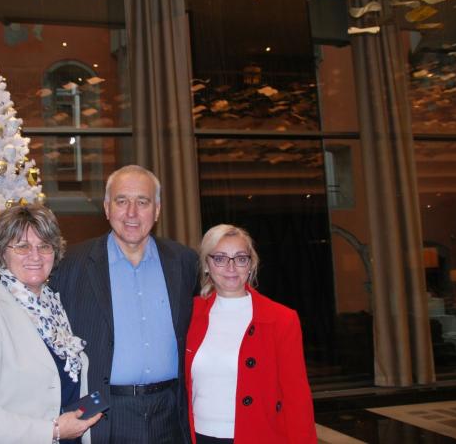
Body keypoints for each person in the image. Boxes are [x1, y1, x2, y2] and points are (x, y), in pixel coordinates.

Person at [52, 165, 199, 444]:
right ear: (107, 208)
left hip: (169, 414)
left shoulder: (183, 262)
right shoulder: (71, 264)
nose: (132, 213)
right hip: (103, 414)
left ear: (157, 210)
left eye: (142, 202)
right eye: (122, 201)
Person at [0, 204, 102, 444]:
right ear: (2, 252)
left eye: (44, 246)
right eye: (22, 246)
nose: (35, 255)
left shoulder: (56, 308)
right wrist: (52, 431)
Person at [185, 224, 316, 444]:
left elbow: (297, 397)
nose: (231, 267)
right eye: (220, 258)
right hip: (198, 436)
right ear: (206, 265)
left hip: (257, 436)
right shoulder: (189, 314)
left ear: (251, 264)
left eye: (240, 258)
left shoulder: (281, 319)